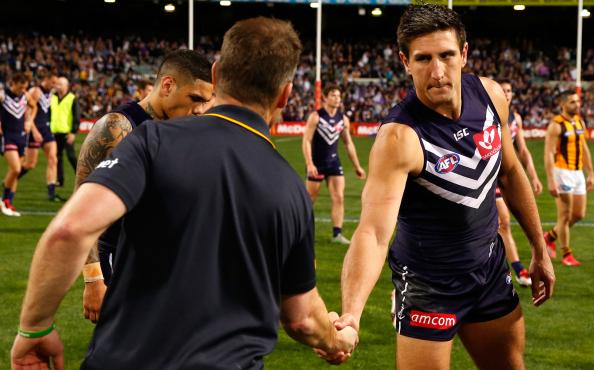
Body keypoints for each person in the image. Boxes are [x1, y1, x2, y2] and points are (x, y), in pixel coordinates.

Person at [11, 17, 357, 370]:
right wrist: (336, 339)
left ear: (217, 75)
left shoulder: (152, 142)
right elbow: (301, 318)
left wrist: (35, 327)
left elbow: (69, 230)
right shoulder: (291, 188)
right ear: (285, 95)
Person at [334, 5, 555, 370]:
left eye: (446, 55)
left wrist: (539, 250)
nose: (437, 72)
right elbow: (373, 233)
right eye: (423, 59)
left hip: (489, 270)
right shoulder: (399, 138)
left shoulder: (491, 97)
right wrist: (352, 315)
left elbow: (511, 172)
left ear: (464, 54)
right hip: (428, 288)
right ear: (405, 61)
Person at [79, 49, 216, 324]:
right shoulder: (117, 127)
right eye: (195, 99)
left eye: (206, 102)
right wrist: (94, 279)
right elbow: (82, 208)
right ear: (167, 85)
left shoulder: (185, 128)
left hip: (166, 261)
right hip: (121, 259)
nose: (200, 109)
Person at [302, 84, 366, 244]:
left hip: (333, 163)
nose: (337, 98)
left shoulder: (343, 119)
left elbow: (348, 143)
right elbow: (306, 141)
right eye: (333, 95)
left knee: (339, 197)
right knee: (309, 200)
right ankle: (300, 232)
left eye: (339, 96)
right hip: (316, 163)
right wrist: (309, 164)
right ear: (325, 97)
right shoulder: (316, 116)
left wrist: (357, 166)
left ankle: (337, 234)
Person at [496, 79, 544, 286]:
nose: (506, 93)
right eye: (502, 90)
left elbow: (522, 150)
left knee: (501, 223)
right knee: (502, 221)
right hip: (486, 177)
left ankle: (516, 269)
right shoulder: (485, 114)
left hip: (504, 176)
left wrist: (533, 176)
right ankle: (515, 268)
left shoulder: (515, 118)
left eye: (509, 90)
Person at [543, 90, 594, 266]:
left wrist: (591, 172)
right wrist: (550, 179)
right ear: (563, 104)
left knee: (578, 214)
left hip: (578, 172)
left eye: (578, 101)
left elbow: (584, 147)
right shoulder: (556, 125)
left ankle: (549, 237)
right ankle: (567, 254)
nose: (577, 105)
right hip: (562, 173)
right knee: (564, 216)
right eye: (572, 102)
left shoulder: (580, 122)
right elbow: (549, 153)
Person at [19, 69, 60, 201]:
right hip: (34, 130)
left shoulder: (51, 93)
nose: (54, 85)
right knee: (30, 164)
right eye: (53, 82)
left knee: (53, 158)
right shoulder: (35, 91)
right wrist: (34, 130)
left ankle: (51, 193)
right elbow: (28, 112)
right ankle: (13, 177)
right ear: (46, 79)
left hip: (46, 130)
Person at [0, 72, 36, 217]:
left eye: (25, 88)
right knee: (15, 169)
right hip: (7, 136)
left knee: (16, 171)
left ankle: (8, 202)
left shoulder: (25, 95)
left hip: (21, 136)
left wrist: (29, 121)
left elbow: (34, 106)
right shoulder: (3, 95)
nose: (22, 90)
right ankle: (4, 198)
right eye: (20, 87)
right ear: (13, 83)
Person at [50, 76, 80, 188]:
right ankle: (60, 180)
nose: (58, 86)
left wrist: (73, 132)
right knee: (57, 157)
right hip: (55, 132)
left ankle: (83, 178)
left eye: (60, 84)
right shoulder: (52, 97)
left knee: (71, 156)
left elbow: (77, 116)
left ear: (66, 86)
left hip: (67, 133)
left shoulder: (72, 98)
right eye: (57, 84)